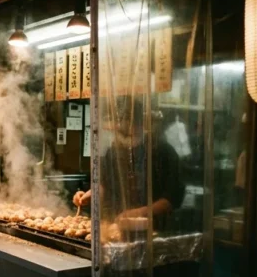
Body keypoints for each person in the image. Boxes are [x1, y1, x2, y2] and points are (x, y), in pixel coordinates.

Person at [73, 98, 185, 229]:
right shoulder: (114, 151)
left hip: (153, 230)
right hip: (115, 226)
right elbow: (105, 184)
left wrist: (138, 213)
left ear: (139, 125)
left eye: (124, 131)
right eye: (117, 131)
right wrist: (91, 195)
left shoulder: (163, 151)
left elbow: (171, 199)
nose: (118, 135)